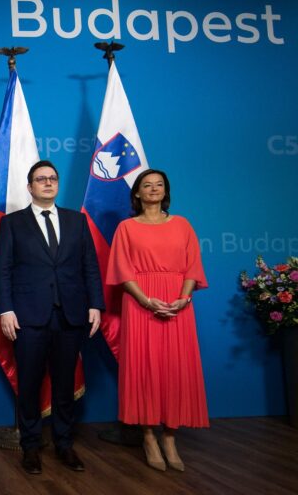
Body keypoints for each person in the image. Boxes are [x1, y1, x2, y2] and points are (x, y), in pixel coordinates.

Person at [0, 160, 104, 475]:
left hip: (71, 315)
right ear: (30, 187)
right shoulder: (12, 223)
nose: (47, 182)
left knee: (65, 384)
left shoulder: (76, 221)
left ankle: (64, 444)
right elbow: (2, 270)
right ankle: (30, 446)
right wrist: (5, 309)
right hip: (28, 317)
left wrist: (95, 305)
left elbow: (90, 266)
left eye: (52, 178)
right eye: (41, 179)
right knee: (29, 385)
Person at [106, 169, 208, 472]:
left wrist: (184, 299)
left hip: (178, 305)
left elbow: (193, 267)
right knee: (144, 368)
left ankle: (170, 438)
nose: (153, 189)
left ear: (166, 191)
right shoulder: (126, 227)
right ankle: (149, 437)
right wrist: (145, 300)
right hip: (141, 304)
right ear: (137, 193)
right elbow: (122, 270)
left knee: (175, 369)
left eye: (159, 185)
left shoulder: (182, 225)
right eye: (147, 185)